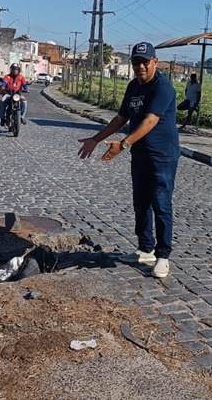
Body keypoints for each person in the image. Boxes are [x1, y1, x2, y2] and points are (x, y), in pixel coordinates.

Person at [77, 42, 179, 278]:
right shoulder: (134, 86)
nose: (140, 66)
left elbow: (151, 120)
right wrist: (95, 139)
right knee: (140, 203)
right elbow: (121, 118)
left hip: (162, 156)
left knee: (161, 204)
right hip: (140, 154)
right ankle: (145, 249)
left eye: (145, 61)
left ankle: (163, 256)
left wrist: (123, 144)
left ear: (155, 61)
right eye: (136, 62)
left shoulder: (162, 87)